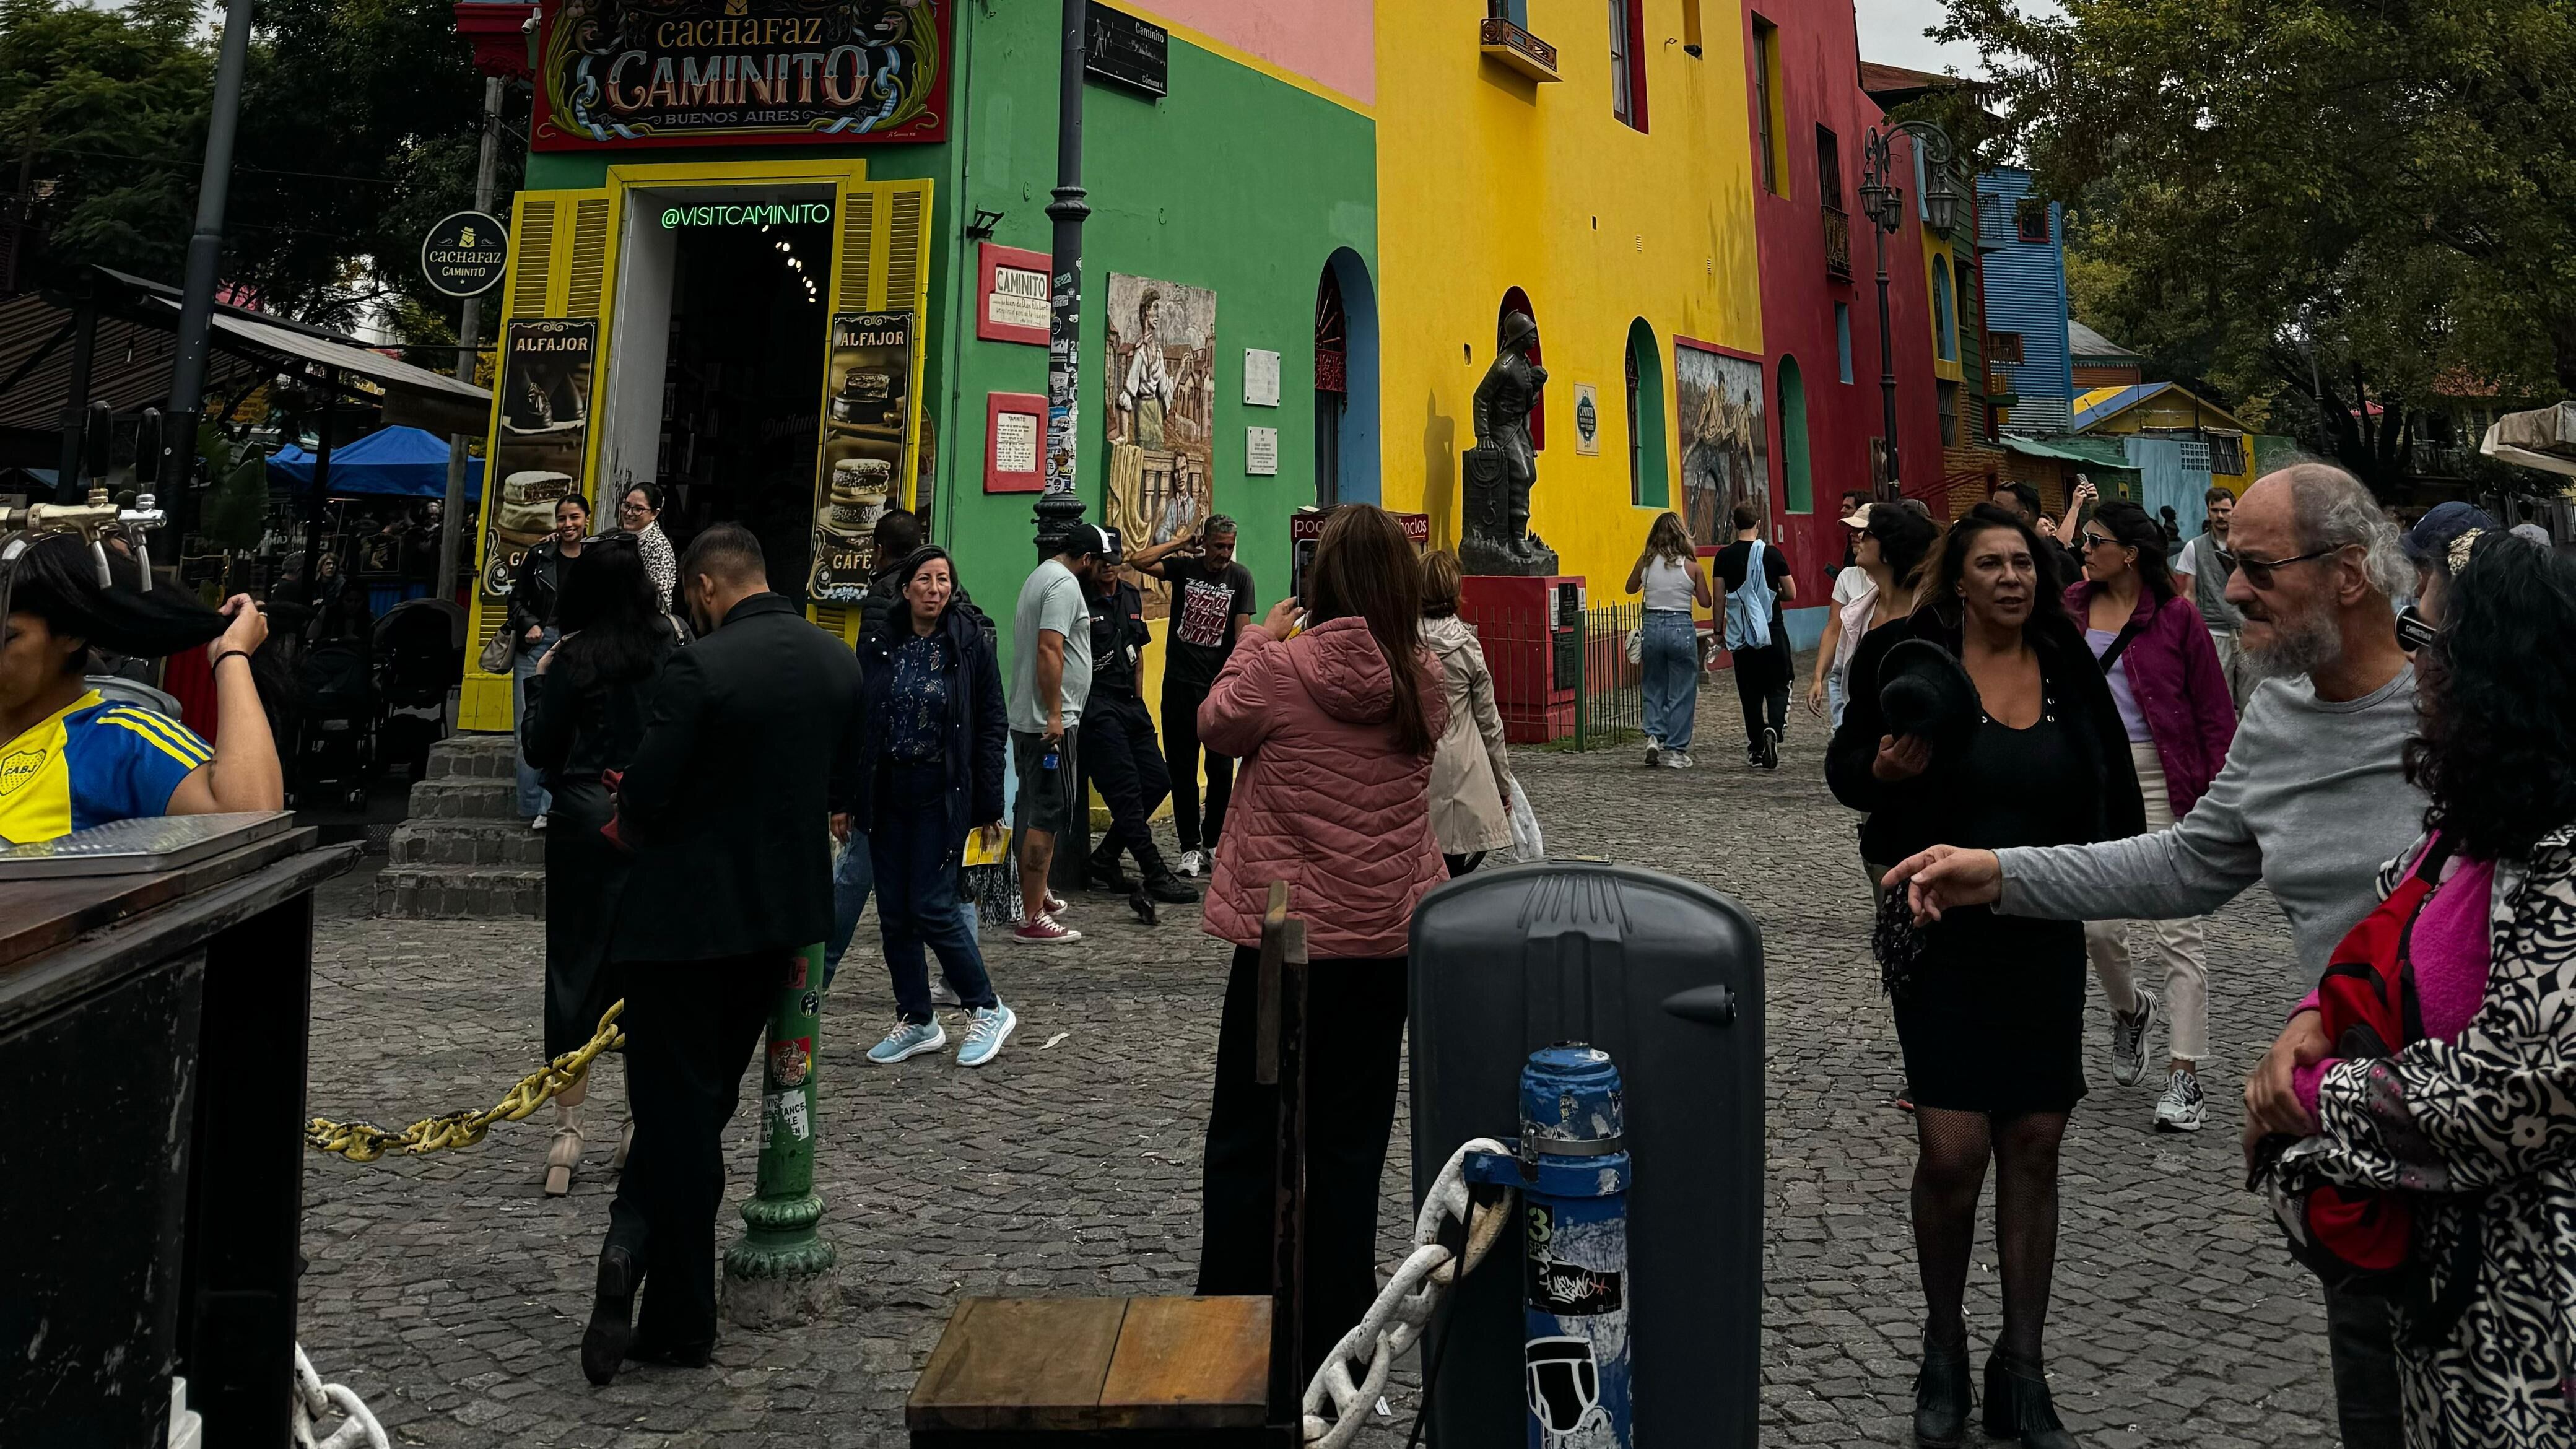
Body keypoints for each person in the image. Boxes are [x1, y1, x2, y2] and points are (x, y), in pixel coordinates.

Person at [1886, 463, 2425, 1449]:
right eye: (2228, 563)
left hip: (2486, 1129)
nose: (2233, 590)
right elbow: (2186, 863)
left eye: (2256, 568)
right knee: (2379, 1403)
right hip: (2361, 1138)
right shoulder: (2278, 719)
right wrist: (2000, 872)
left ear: (2349, 573)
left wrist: (2331, 1007)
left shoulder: (2464, 707)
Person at [1827, 503, 2144, 1449]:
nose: (2013, 578)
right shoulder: (1908, 659)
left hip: (2040, 931)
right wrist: (1884, 768)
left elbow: (2114, 795)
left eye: (2025, 564)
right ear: (1957, 580)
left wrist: (2117, 866)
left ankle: (2024, 1367)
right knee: (1955, 1152)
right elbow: (1849, 770)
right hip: (1938, 934)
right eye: (1993, 565)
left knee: (2037, 1139)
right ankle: (1943, 1345)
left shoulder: (2067, 666)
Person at [2260, 533, 2576, 1446]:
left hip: (2543, 1327)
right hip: (2456, 1317)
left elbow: (2512, 1092)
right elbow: (2379, 952)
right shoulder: (2471, 832)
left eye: (2424, 635)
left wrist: (2308, 1101)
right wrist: (2313, 1015)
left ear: (2497, 672)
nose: (2412, 664)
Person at [581, 524, 863, 1386]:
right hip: (777, 927)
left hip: (679, 928)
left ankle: (667, 1300)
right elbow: (848, 790)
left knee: (675, 1110)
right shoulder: (836, 664)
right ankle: (646, 1260)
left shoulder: (699, 669)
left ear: (705, 588)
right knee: (702, 1107)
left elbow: (652, 795)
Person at [1192, 504, 1447, 1382]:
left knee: (1248, 1143)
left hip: (1284, 950)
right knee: (1350, 1149)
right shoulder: (1422, 677)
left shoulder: (1282, 668)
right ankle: (1337, 1343)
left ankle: (1232, 1330)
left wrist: (1257, 640)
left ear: (1321, 579)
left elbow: (1215, 724)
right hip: (1382, 949)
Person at [2069, 502, 2239, 1131]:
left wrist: (2222, 799)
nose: (2083, 549)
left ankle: (2183, 1075)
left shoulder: (2176, 618)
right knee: (2095, 928)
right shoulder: (2069, 610)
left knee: (2178, 931)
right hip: (2094, 783)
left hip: (2165, 778)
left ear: (2130, 554)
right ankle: (2129, 1010)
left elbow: (2214, 717)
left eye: (2094, 540)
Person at [519, 536, 676, 1195]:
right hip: (649, 821)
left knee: (573, 971)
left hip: (582, 819)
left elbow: (538, 748)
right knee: (648, 969)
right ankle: (639, 1123)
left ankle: (567, 1132)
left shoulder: (574, 658)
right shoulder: (667, 651)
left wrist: (539, 682)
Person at [848, 546, 1018, 1069]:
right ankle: (918, 1019)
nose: (935, 589)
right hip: (887, 790)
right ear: (906, 589)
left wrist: (988, 801)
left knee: (932, 904)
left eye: (944, 580)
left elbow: (991, 724)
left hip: (941, 793)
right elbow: (858, 721)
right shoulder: (879, 641)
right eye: (925, 579)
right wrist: (845, 797)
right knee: (895, 914)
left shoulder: (968, 644)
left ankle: (986, 1007)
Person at [0, 535, 282, 843]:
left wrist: (232, 655)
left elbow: (251, 817)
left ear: (71, 633)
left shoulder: (114, 740)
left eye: (7, 637)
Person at [1007, 524, 1115, 945]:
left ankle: (1038, 892)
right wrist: (1055, 714)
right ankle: (1032, 916)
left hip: (1030, 718)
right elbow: (1049, 647)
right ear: (1086, 560)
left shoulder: (1042, 576)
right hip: (1048, 723)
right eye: (1101, 564)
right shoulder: (1065, 586)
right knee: (1047, 816)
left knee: (1035, 808)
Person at [1133, 515, 1255, 879]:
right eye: (1219, 546)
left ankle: (1212, 841)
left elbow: (1243, 630)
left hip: (1219, 689)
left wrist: (1242, 676)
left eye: (1230, 547)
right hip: (1179, 687)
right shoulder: (1184, 569)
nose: (1225, 554)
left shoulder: (1240, 578)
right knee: (1181, 772)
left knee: (1219, 771)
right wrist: (1181, 543)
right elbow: (1138, 561)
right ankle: (1188, 848)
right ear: (1205, 543)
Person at [1079, 543, 1197, 902]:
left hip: (1130, 704)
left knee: (1158, 780)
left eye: (1114, 561)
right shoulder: (1080, 600)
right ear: (1091, 563)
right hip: (1097, 705)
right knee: (1127, 791)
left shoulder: (1130, 595)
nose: (1109, 568)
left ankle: (1107, 856)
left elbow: (1139, 650)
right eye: (1102, 562)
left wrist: (1138, 697)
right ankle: (1155, 872)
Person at [1421, 550, 1515, 875]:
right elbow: (1490, 724)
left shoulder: (1401, 644)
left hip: (1412, 763)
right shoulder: (1467, 648)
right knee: (1454, 871)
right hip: (1461, 769)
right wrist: (1503, 787)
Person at [1808, 501, 1941, 729]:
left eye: (1867, 533)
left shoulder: (1929, 619)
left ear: (1889, 552)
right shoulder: (1858, 612)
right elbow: (1842, 674)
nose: (1858, 538)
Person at [510, 495, 589, 829]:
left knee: (569, 726)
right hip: (537, 643)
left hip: (578, 645)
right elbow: (515, 599)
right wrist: (529, 623)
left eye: (574, 517)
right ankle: (530, 807)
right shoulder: (539, 555)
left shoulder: (597, 557)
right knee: (528, 724)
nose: (568, 525)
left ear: (587, 518)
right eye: (561, 518)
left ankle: (549, 807)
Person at [1711, 503, 1796, 770]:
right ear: (1758, 523)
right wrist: (1771, 597)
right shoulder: (1772, 554)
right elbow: (1791, 593)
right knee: (1779, 684)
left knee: (1750, 694)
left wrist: (1718, 631)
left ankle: (1757, 748)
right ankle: (1774, 728)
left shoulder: (1723, 557)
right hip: (1773, 630)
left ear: (1734, 524)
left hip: (1742, 634)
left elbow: (1718, 598)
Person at [1624, 511, 1713, 768]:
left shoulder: (1646, 562)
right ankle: (1676, 751)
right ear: (1682, 536)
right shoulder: (1692, 566)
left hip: (1652, 626)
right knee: (1682, 691)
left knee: (1653, 684)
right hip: (1680, 627)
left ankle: (1653, 736)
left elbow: (1630, 588)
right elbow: (1706, 601)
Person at [2172, 485, 2252, 708]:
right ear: (2208, 512)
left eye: (2225, 511)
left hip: (2247, 631)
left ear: (2234, 511)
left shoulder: (2248, 545)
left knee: (2252, 700)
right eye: (2215, 510)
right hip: (2214, 632)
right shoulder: (2194, 548)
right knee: (2218, 700)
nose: (2220, 516)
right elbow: (2188, 593)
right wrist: (2189, 634)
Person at [614, 483, 677, 614]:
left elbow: (660, 602)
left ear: (655, 514)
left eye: (638, 509)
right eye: (626, 506)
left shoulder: (659, 548)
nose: (629, 513)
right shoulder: (620, 537)